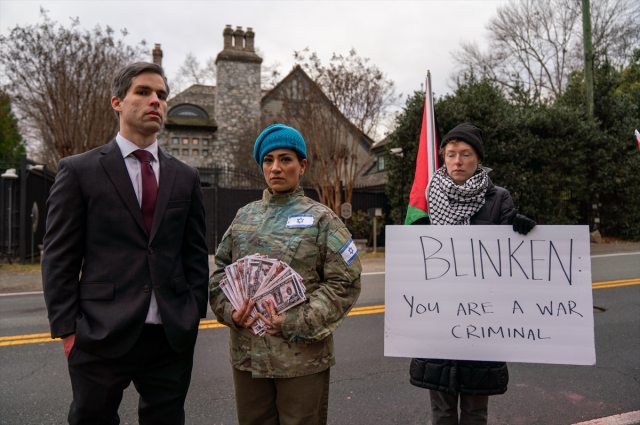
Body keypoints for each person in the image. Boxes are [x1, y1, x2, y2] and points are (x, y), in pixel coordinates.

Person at [42, 62, 209, 425]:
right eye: (144, 92)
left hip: (170, 333)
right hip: (100, 331)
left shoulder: (185, 176)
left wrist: (193, 312)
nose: (156, 101)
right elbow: (59, 257)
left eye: (162, 95)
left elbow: (194, 251)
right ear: (117, 102)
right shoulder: (78, 170)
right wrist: (68, 329)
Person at [209, 124, 362, 425]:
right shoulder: (244, 216)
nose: (276, 167)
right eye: (268, 160)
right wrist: (230, 311)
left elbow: (345, 282)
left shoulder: (322, 219)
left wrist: (292, 321)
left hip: (300, 359)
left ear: (302, 165)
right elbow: (219, 275)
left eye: (285, 159)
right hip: (247, 356)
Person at [409, 122, 536, 425]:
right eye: (451, 154)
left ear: (478, 159)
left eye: (465, 154)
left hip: (482, 319)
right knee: (441, 412)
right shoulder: (425, 199)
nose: (457, 161)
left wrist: (520, 228)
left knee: (476, 413)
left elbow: (511, 260)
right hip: (438, 318)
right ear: (443, 158)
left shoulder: (498, 199)